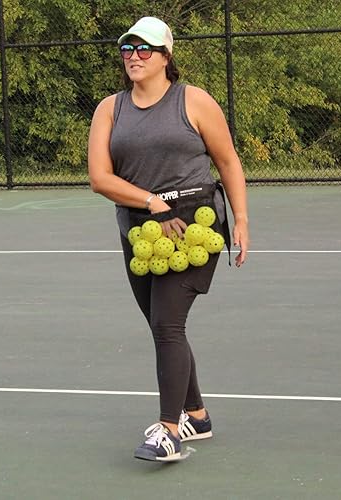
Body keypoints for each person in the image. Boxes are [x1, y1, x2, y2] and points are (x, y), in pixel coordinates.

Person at [88, 16, 249, 462]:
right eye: (127, 48)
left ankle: (169, 431)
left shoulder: (194, 101)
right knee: (162, 324)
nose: (134, 56)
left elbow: (228, 162)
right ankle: (197, 415)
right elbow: (100, 178)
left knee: (167, 324)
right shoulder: (109, 109)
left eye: (144, 49)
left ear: (165, 56)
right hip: (140, 229)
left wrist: (241, 220)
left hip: (194, 225)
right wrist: (150, 203)